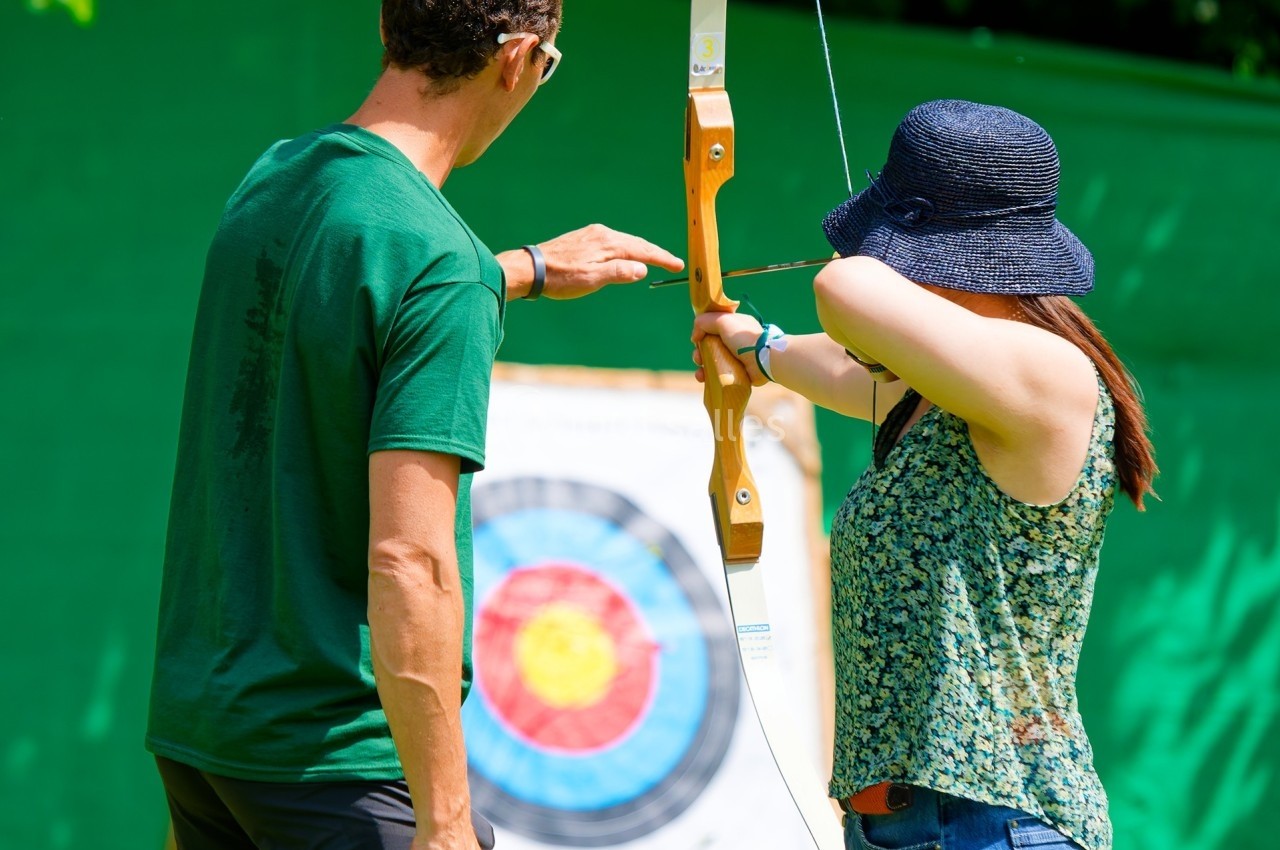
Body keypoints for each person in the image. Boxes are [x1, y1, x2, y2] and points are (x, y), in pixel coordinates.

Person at [145, 2, 683, 849]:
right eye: (550, 66)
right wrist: (445, 820)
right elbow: (410, 558)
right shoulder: (435, 263)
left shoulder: (279, 176)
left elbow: (340, 306)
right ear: (516, 58)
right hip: (335, 763)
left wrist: (519, 271)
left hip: (204, 739)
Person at [693, 99, 1156, 850]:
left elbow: (845, 296)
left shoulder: (1049, 374)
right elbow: (851, 376)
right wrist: (757, 349)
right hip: (898, 830)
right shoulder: (946, 401)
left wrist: (873, 256)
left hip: (997, 823)